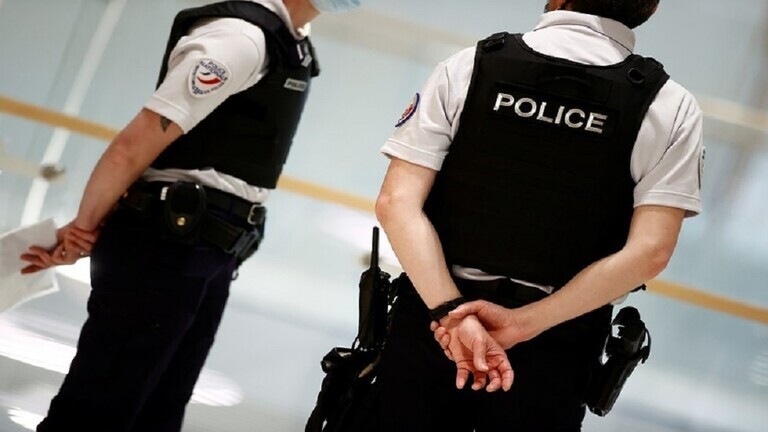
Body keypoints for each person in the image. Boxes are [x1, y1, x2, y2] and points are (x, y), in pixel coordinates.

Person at [19, 0, 361, 430]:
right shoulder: (240, 37)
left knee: (158, 412)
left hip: (209, 249)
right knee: (99, 408)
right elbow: (133, 145)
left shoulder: (292, 43)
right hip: (165, 242)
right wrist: (83, 228)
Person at [374, 0, 703, 430]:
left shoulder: (469, 66)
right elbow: (651, 253)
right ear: (650, 8)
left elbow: (396, 204)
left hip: (434, 326)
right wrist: (523, 324)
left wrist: (453, 314)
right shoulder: (671, 106)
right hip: (557, 345)